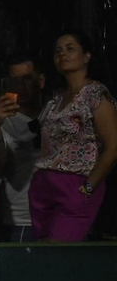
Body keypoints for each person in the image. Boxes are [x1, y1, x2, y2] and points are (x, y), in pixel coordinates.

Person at [30, 30, 117, 243]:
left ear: (87, 56)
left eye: (70, 49)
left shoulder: (95, 94)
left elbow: (113, 147)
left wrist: (88, 187)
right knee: (43, 254)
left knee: (59, 251)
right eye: (58, 51)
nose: (63, 54)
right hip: (45, 184)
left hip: (75, 182)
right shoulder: (56, 98)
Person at [0, 50, 44, 243]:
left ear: (40, 81)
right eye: (14, 81)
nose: (21, 87)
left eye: (26, 79)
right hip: (22, 219)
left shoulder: (56, 110)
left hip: (61, 213)